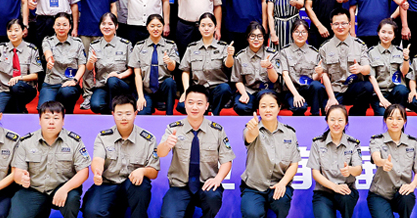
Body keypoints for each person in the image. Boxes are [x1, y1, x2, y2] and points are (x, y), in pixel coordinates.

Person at [158, 86, 235, 218]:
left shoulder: (217, 131)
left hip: (206, 185)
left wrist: (218, 179)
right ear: (185, 104)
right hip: (180, 186)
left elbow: (227, 160)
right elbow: (160, 153)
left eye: (199, 103)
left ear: (206, 106)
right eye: (190, 102)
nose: (194, 107)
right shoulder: (174, 128)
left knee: (213, 198)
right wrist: (167, 144)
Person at [82, 95, 161, 218]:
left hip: (132, 186)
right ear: (113, 114)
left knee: (142, 185)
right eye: (119, 114)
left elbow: (154, 171)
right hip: (108, 184)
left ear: (135, 114)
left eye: (128, 114)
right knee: (92, 211)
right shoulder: (103, 137)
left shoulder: (148, 139)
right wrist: (97, 171)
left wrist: (143, 171)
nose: (124, 118)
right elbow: (98, 159)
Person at [10, 100, 91, 218]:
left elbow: (84, 172)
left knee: (72, 199)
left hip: (63, 187)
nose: (51, 122)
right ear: (39, 120)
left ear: (63, 121)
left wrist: (64, 189)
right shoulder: (26, 142)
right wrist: (21, 179)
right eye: (47, 118)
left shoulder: (74, 142)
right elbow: (17, 172)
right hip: (34, 189)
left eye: (56, 118)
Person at [240, 92, 299, 218]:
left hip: (279, 182)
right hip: (254, 186)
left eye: (272, 106)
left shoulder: (289, 133)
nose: (268, 110)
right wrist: (253, 130)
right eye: (263, 106)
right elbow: (249, 137)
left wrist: (283, 183)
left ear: (279, 107)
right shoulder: (252, 128)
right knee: (251, 214)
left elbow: (294, 164)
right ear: (258, 109)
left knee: (281, 203)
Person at [72, 0, 119, 109]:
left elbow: (113, 5)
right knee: (87, 64)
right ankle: (87, 95)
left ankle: (105, 92)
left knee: (107, 63)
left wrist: (114, 25)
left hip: (106, 32)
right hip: (86, 30)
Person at [368, 104, 417, 218]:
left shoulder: (413, 143)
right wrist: (383, 162)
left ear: (404, 121)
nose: (394, 122)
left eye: (399, 119)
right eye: (390, 118)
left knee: (408, 197)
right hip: (380, 194)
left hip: (402, 193)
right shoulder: (377, 140)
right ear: (385, 120)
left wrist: (412, 186)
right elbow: (376, 158)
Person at [309, 105, 363, 218]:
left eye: (340, 120)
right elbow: (315, 173)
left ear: (346, 122)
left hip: (346, 190)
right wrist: (334, 187)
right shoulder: (317, 143)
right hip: (323, 192)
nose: (336, 123)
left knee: (346, 197)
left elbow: (358, 170)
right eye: (332, 119)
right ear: (327, 121)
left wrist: (350, 170)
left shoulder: (353, 144)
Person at [179, 12, 235, 115]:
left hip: (217, 88)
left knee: (225, 88)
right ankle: (203, 111)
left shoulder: (223, 46)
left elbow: (229, 65)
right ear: (199, 27)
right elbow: (185, 71)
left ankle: (214, 113)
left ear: (215, 27)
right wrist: (186, 91)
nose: (206, 29)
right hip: (199, 89)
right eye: (203, 25)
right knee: (181, 106)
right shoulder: (192, 48)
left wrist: (230, 55)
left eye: (210, 25)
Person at [319, 9, 372, 115]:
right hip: (334, 90)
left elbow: (367, 69)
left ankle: (355, 115)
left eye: (343, 23)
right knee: (328, 113)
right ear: (331, 26)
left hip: (352, 89)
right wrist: (331, 98)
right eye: (336, 24)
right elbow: (324, 74)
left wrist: (360, 69)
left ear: (350, 24)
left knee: (367, 87)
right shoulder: (325, 47)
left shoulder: (359, 45)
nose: (340, 27)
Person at [0, 19, 40, 113]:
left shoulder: (32, 49)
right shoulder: (1, 48)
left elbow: (35, 75)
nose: (13, 33)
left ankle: (20, 110)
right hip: (5, 90)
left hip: (25, 88)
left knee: (16, 87)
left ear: (23, 31)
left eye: (16, 30)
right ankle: (15, 107)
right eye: (10, 31)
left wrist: (19, 78)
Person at [86, 13, 135, 114]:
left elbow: (131, 69)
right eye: (103, 24)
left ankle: (112, 110)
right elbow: (89, 68)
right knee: (95, 105)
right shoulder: (94, 45)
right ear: (100, 26)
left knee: (112, 80)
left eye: (110, 24)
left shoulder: (125, 44)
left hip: (121, 84)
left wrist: (119, 76)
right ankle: (110, 108)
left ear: (116, 26)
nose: (106, 27)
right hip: (102, 85)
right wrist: (90, 62)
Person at [130, 14, 180, 114]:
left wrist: (169, 62)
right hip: (146, 89)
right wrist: (141, 97)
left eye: (159, 26)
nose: (155, 29)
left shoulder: (170, 45)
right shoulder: (139, 46)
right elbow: (137, 75)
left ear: (163, 27)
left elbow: (172, 68)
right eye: (152, 26)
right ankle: (150, 104)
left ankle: (169, 115)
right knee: (143, 114)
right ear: (147, 27)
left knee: (170, 82)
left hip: (163, 89)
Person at [40, 13, 86, 113]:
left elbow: (82, 65)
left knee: (67, 92)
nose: (61, 28)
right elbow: (47, 52)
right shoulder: (48, 41)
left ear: (70, 26)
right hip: (51, 84)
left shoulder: (77, 43)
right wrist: (49, 59)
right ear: (53, 26)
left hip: (69, 83)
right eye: (58, 24)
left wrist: (75, 80)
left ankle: (68, 110)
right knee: (43, 110)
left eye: (65, 25)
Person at [277, 20, 325, 116]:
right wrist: (296, 95)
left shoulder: (314, 53)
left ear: (308, 34)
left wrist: (319, 73)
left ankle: (315, 115)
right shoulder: (285, 52)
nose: (300, 35)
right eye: (297, 31)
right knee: (300, 107)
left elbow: (314, 78)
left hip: (308, 90)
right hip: (291, 91)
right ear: (292, 33)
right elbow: (285, 75)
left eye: (303, 32)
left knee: (317, 85)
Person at [365, 19, 411, 116]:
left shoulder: (399, 52)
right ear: (378, 33)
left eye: (390, 33)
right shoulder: (371, 52)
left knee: (402, 90)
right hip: (379, 94)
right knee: (384, 116)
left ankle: (400, 113)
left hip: (395, 92)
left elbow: (404, 71)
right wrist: (381, 99)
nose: (386, 36)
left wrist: (406, 58)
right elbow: (371, 77)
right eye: (383, 32)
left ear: (394, 36)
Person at [231, 22, 279, 116]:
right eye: (252, 36)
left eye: (259, 36)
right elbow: (238, 80)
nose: (256, 39)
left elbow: (274, 79)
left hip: (267, 90)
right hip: (249, 90)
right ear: (247, 38)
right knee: (241, 106)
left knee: (267, 104)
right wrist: (244, 94)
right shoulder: (240, 56)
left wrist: (269, 66)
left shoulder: (272, 54)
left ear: (264, 38)